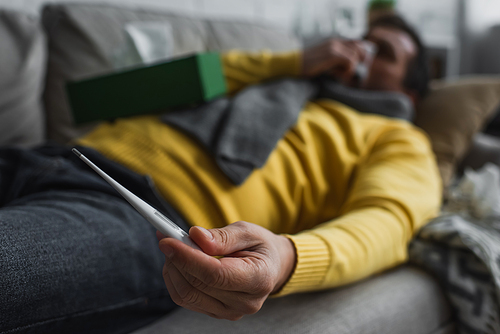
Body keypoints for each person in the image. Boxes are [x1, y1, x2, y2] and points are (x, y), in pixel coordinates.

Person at [0, 15, 441, 333]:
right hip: (52, 156)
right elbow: (97, 99)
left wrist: (288, 258)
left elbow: (387, 221)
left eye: (382, 51)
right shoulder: (273, 75)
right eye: (361, 38)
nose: (361, 49)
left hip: (137, 216)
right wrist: (287, 64)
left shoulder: (397, 137)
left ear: (409, 92)